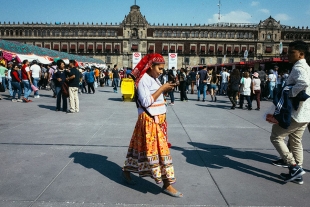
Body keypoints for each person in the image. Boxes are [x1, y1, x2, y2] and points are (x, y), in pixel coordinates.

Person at [122, 53, 183, 198]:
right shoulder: (143, 80)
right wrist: (162, 89)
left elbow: (157, 98)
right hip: (150, 121)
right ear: (151, 66)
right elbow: (146, 102)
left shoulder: (154, 79)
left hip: (157, 120)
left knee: (138, 148)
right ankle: (167, 184)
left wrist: (167, 88)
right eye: (160, 68)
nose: (161, 71)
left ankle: (126, 170)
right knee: (161, 153)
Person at [270, 40, 310, 184]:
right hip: (306, 113)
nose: (288, 55)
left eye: (292, 52)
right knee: (295, 141)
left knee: (276, 136)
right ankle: (298, 173)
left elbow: (303, 83)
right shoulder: (307, 67)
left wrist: (289, 93)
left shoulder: (299, 67)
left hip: (296, 112)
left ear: (301, 54)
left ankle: (293, 167)